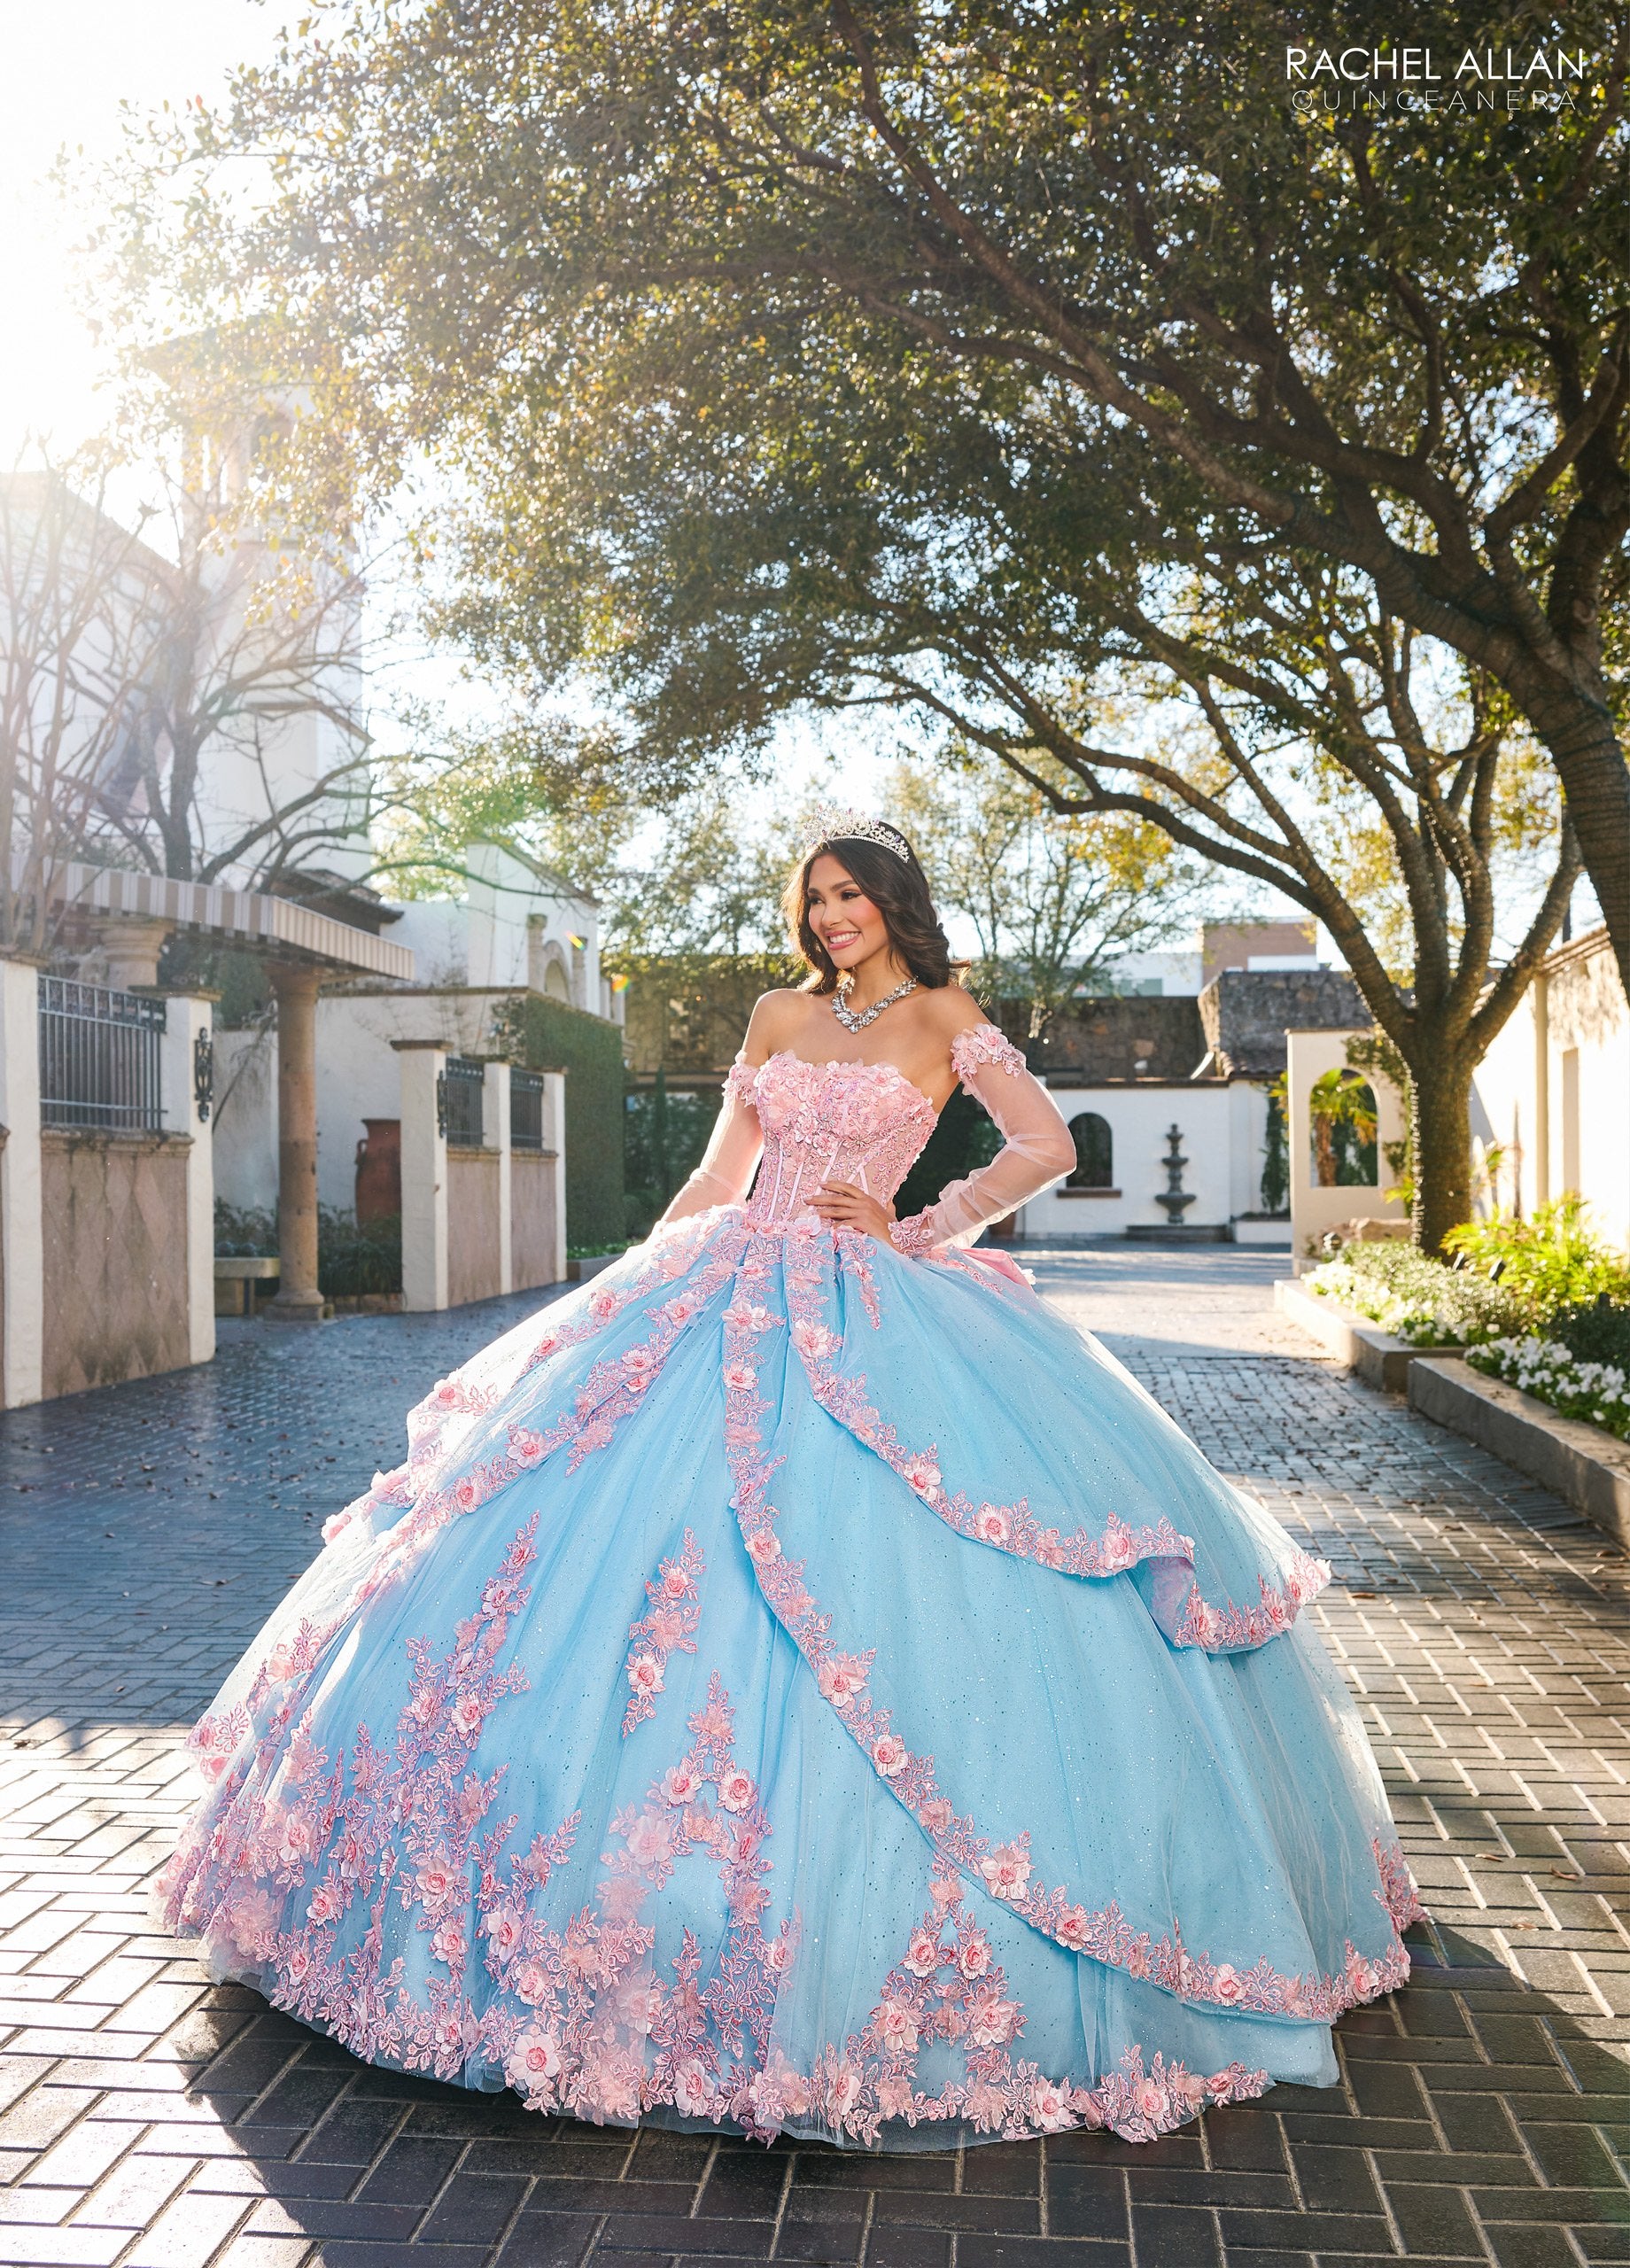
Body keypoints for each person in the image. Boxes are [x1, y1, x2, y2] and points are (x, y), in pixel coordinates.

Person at [158, 805, 1422, 2151]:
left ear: (894, 901)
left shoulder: (947, 1018)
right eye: (815, 898)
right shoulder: (773, 1011)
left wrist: (924, 1224)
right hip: (722, 1285)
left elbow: (1045, 1144)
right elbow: (719, 1172)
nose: (831, 918)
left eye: (852, 896)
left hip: (873, 1304)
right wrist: (632, 1281)